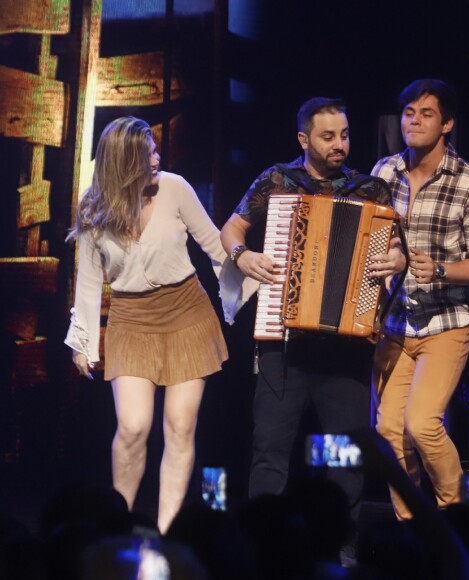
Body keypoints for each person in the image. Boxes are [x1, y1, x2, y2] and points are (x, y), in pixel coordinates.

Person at [220, 97, 405, 537]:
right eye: (327, 136)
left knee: (346, 454)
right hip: (282, 342)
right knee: (270, 449)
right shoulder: (278, 180)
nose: (339, 144)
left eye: (344, 134)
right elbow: (232, 228)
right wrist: (242, 256)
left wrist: (395, 261)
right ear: (303, 139)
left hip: (345, 344)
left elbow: (397, 247)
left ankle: (342, 547)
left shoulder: (369, 190)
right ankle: (261, 544)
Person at [65, 116, 230, 533]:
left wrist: (251, 274)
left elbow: (214, 246)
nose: (158, 158)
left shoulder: (175, 188)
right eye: (148, 153)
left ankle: (166, 533)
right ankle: (117, 524)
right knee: (134, 426)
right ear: (124, 161)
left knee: (179, 426)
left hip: (186, 314)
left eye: (156, 150)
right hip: (132, 320)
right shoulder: (94, 206)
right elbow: (87, 281)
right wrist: (83, 341)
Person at [371, 79, 469, 521]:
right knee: (389, 430)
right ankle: (411, 526)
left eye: (426, 113)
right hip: (395, 324)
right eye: (408, 112)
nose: (414, 120)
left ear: (447, 123)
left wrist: (440, 270)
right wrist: (388, 257)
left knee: (422, 423)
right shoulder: (384, 173)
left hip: (446, 323)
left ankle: (456, 516)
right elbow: (373, 236)